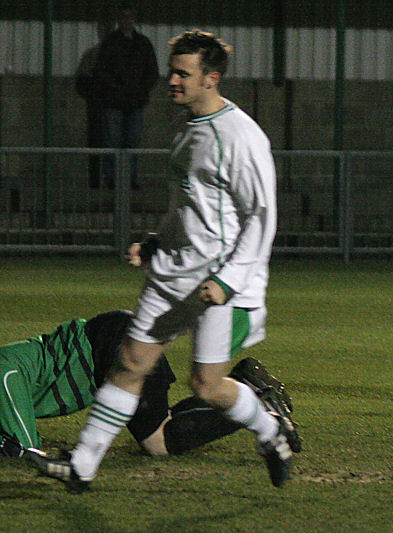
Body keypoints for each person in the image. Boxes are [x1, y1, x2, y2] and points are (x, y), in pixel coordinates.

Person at [28, 30, 286, 493]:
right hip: (174, 273)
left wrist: (227, 281)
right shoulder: (188, 130)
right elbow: (189, 209)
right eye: (171, 70)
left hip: (217, 282)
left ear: (212, 78)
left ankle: (269, 430)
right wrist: (155, 242)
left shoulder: (240, 136)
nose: (171, 80)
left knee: (206, 385)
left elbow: (261, 218)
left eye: (182, 73)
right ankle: (83, 466)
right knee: (130, 362)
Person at [2, 310, 300, 460]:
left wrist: (17, 448)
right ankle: (244, 386)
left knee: (158, 442)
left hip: (108, 345)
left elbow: (22, 448)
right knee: (161, 428)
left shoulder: (3, 373)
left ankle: (257, 402)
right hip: (107, 341)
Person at [93, 2, 159, 189]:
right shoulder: (111, 43)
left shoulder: (143, 43)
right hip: (115, 102)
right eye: (123, 18)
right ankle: (113, 179)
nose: (126, 21)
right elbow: (100, 71)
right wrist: (116, 88)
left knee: (132, 143)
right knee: (113, 143)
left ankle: (129, 179)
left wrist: (140, 90)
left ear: (134, 20)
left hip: (134, 102)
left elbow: (152, 72)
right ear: (118, 20)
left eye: (129, 17)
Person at [75, 21, 113, 188]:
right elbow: (81, 82)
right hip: (98, 107)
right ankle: (97, 180)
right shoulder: (92, 55)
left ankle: (110, 180)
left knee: (112, 143)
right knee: (98, 142)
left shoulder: (111, 55)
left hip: (112, 106)